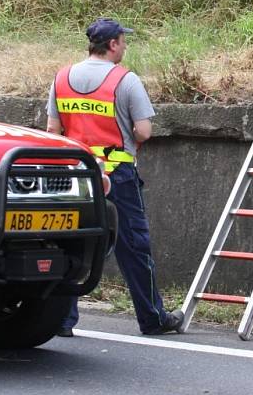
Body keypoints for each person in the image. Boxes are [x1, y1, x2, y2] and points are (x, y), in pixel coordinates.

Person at [46, 17, 184, 336]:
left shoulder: (61, 77)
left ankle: (62, 321)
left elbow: (53, 131)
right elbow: (145, 131)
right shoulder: (126, 80)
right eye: (123, 41)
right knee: (133, 245)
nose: (125, 46)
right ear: (112, 45)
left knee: (71, 243)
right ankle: (152, 318)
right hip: (116, 174)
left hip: (75, 173)